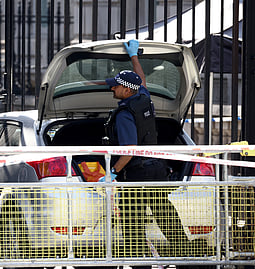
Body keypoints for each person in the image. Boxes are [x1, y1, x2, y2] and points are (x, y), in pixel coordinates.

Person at [104, 40, 201, 267]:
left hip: (137, 175)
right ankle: (188, 257)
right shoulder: (143, 98)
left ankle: (141, 264)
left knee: (133, 225)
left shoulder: (125, 114)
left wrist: (112, 172)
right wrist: (134, 57)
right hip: (156, 170)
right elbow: (142, 80)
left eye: (116, 86)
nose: (112, 88)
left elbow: (130, 149)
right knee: (166, 217)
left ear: (127, 90)